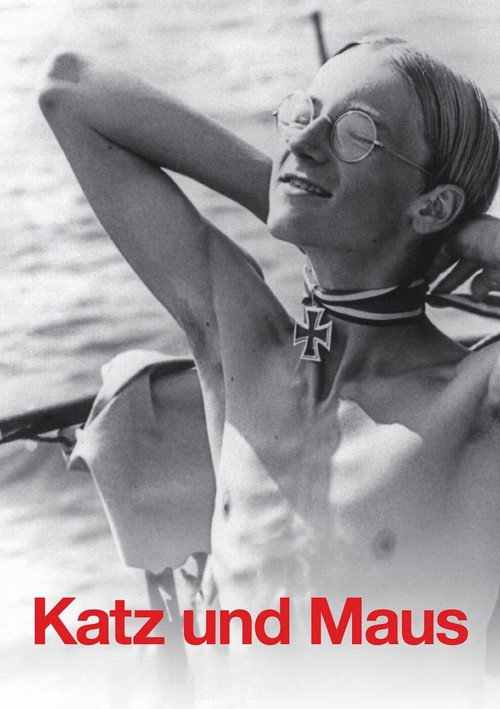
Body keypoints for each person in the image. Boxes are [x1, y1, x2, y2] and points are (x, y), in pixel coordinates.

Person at [38, 37, 500, 708]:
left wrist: (480, 240)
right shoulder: (243, 348)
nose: (305, 139)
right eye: (304, 114)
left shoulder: (473, 400)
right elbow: (70, 90)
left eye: (356, 135)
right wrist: (289, 185)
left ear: (431, 206)